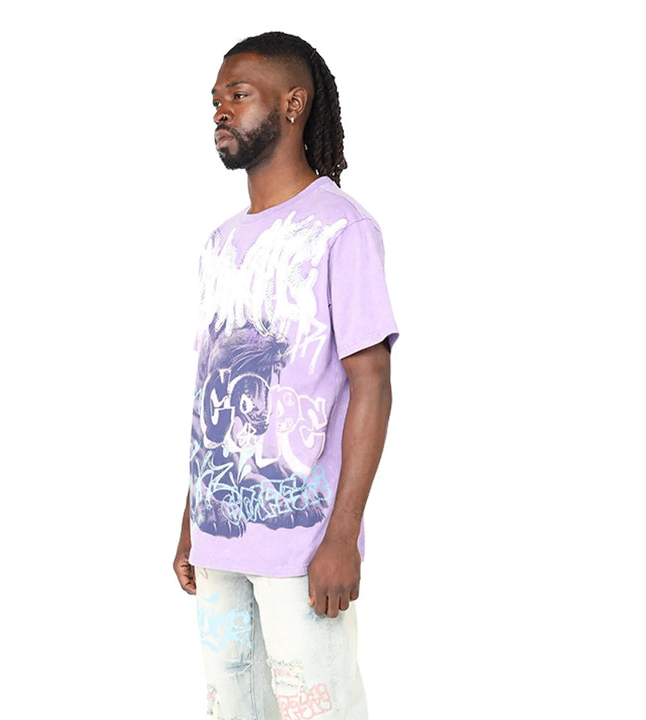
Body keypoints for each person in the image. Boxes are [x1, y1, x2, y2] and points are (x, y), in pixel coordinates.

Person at [173, 31, 399, 720]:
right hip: (218, 542)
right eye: (216, 99)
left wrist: (342, 535)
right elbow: (212, 392)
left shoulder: (341, 229)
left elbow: (371, 382)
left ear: (293, 104)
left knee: (317, 711)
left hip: (303, 547)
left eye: (239, 95)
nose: (221, 110)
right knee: (230, 709)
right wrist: (190, 519)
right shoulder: (220, 243)